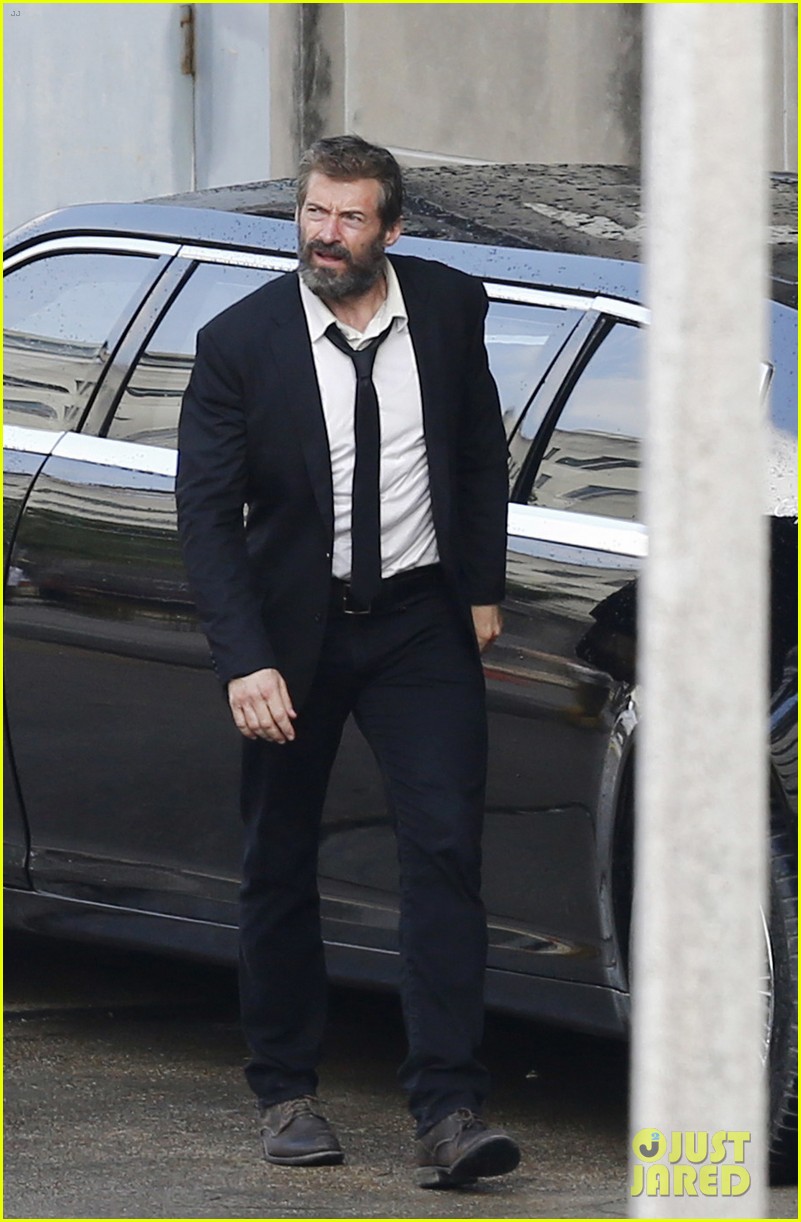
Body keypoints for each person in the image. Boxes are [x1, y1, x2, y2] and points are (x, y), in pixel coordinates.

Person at [176, 135, 520, 1188]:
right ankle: (285, 1093)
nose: (326, 237)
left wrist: (481, 586)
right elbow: (206, 516)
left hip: (419, 622)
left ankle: (449, 1110)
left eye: (349, 218)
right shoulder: (240, 342)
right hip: (294, 634)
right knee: (279, 856)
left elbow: (479, 450)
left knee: (445, 851)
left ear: (392, 228)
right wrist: (245, 659)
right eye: (315, 214)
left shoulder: (451, 310)